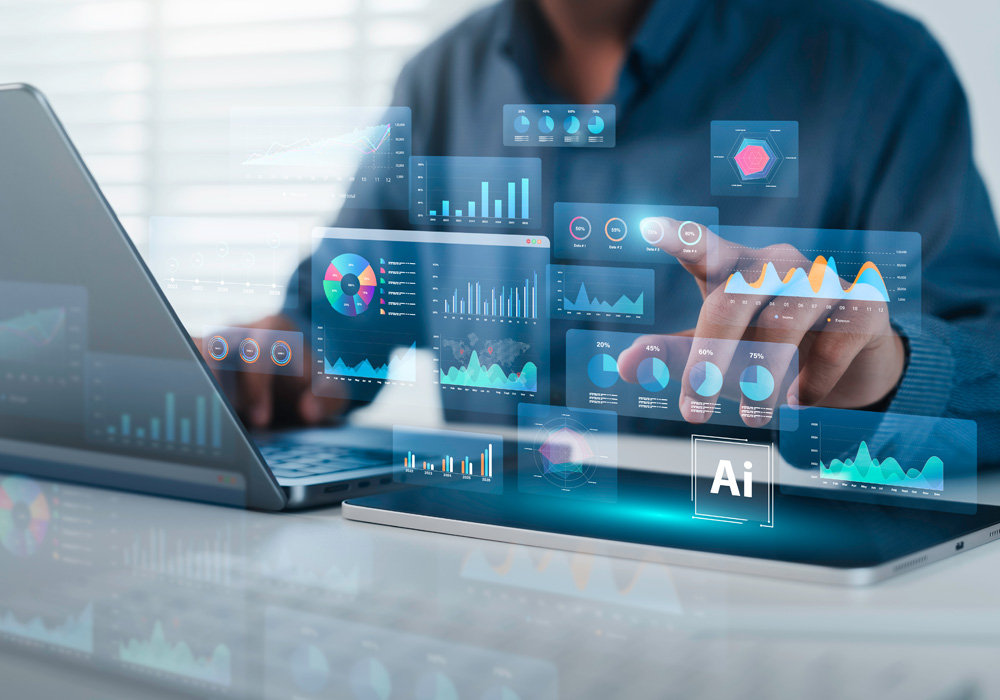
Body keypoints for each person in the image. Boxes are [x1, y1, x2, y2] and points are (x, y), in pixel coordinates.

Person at [221, 0, 1000, 460]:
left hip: (762, 602)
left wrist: (884, 372)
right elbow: (342, 317)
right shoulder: (438, 79)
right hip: (482, 585)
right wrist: (278, 365)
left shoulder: (877, 68)